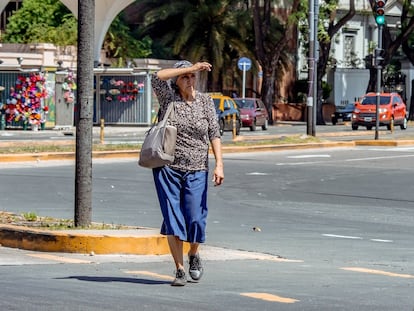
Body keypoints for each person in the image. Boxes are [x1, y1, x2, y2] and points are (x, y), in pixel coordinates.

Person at [151, 60, 224, 286]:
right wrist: (188, 67)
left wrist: (219, 163)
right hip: (167, 167)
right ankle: (179, 268)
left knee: (195, 219)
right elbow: (157, 76)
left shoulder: (205, 102)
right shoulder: (168, 98)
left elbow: (214, 132)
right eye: (185, 77)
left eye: (193, 77)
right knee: (173, 217)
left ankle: (193, 254)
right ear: (178, 80)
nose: (190, 80)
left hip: (197, 168)